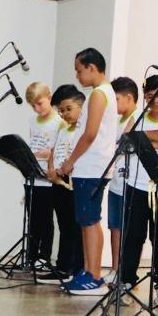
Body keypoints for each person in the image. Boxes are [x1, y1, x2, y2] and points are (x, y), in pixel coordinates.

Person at [54, 48, 116, 295]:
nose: (78, 76)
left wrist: (70, 161)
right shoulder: (101, 93)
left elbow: (89, 134)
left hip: (92, 167)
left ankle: (94, 275)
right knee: (86, 220)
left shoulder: (99, 94)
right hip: (91, 167)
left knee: (89, 221)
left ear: (92, 67)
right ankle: (89, 271)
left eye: (79, 71)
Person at [117, 74, 158, 296]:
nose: (154, 100)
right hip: (136, 185)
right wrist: (155, 139)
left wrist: (141, 138)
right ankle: (127, 282)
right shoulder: (138, 116)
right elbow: (126, 138)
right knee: (132, 236)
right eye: (149, 96)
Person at [39, 86, 85, 283]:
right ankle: (62, 267)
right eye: (61, 111)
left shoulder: (84, 130)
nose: (64, 114)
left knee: (76, 227)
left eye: (68, 109)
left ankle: (77, 268)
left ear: (81, 106)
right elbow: (53, 150)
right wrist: (51, 170)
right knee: (64, 225)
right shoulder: (62, 128)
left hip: (73, 180)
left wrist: (66, 170)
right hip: (58, 181)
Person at [23, 82, 60, 271]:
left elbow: (60, 148)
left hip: (48, 178)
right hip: (32, 176)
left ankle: (44, 257)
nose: (37, 109)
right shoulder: (32, 121)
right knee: (33, 220)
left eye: (40, 103)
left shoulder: (58, 122)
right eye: (33, 106)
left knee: (45, 220)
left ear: (49, 97)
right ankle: (31, 256)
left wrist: (49, 153)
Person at [106, 76, 140, 282]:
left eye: (116, 99)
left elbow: (124, 143)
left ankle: (126, 272)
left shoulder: (137, 118)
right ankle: (114, 268)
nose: (113, 105)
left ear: (129, 98)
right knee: (115, 226)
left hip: (130, 181)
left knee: (128, 229)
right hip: (115, 181)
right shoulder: (116, 120)